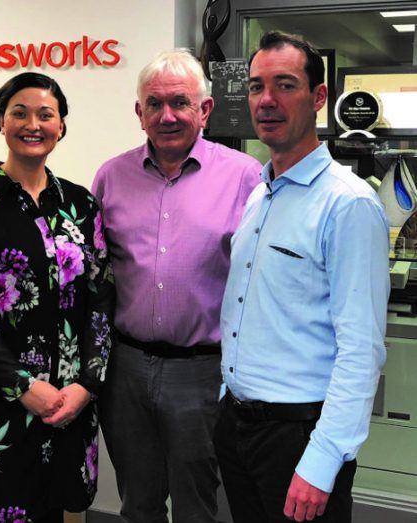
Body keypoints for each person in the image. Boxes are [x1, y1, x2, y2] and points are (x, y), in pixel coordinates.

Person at [215, 31, 389, 523]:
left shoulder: (348, 204)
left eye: (285, 85)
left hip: (299, 436)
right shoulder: (259, 194)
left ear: (318, 97)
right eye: (255, 87)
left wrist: (322, 459)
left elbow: (361, 350)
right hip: (238, 423)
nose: (266, 101)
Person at [0, 72, 113, 523]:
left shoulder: (81, 204)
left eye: (45, 114)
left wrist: (87, 385)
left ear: (62, 126)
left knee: (56, 509)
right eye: (19, 112)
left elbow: (101, 297)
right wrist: (23, 387)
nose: (33, 124)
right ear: (1, 122)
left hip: (68, 402)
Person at [92, 50, 261, 522]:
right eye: (154, 103)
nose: (167, 116)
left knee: (197, 504)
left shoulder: (245, 177)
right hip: (125, 369)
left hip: (202, 372)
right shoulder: (110, 177)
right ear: (139, 113)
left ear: (204, 111)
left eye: (180, 102)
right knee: (138, 501)